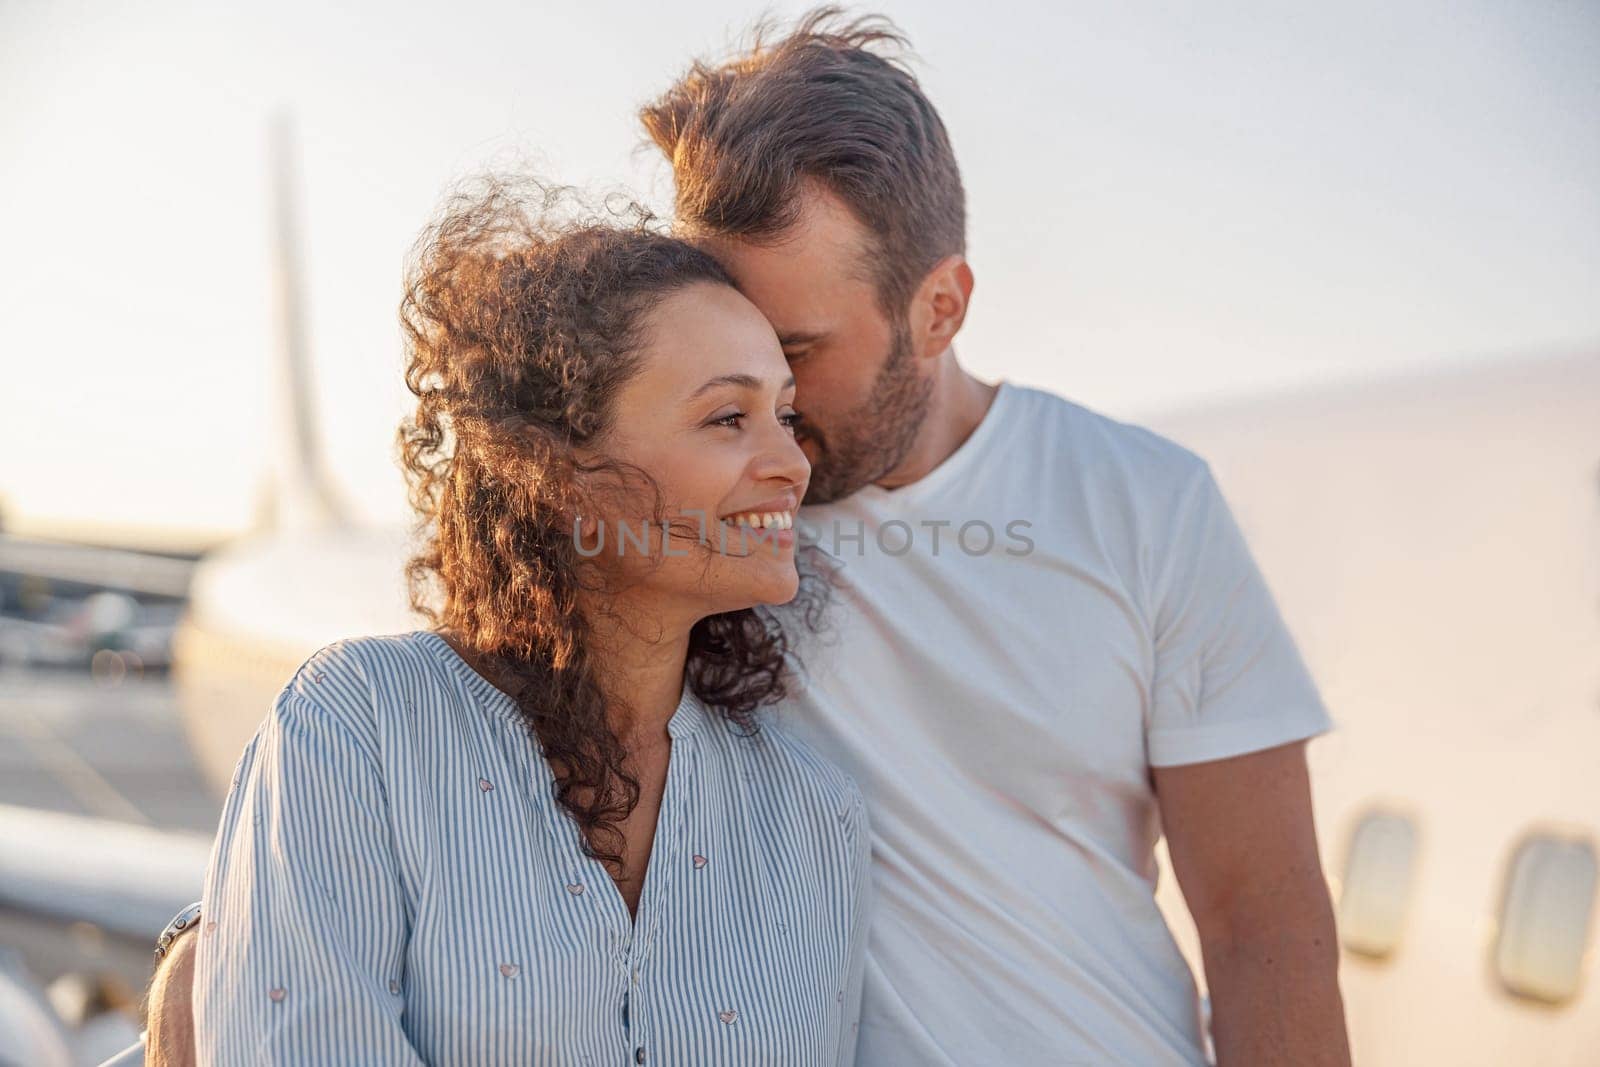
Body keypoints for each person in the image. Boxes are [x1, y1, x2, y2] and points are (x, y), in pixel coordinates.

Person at [638, 9, 1351, 1066]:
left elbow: (1267, 927)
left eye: (795, 351)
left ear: (939, 308)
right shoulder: (683, 516)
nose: (763, 406)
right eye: (725, 352)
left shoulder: (1146, 505)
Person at [180, 179, 871, 1065]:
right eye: (728, 417)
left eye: (786, 414)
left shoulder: (815, 814)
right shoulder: (358, 728)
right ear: (558, 472)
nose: (791, 464)